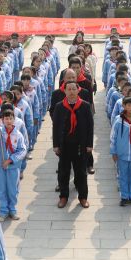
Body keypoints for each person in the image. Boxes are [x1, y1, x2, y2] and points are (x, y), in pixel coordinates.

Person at [52, 81, 94, 209]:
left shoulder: (85, 106)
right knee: (63, 171)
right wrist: (56, 144)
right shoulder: (59, 106)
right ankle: (63, 196)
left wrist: (89, 144)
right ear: (64, 91)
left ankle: (83, 197)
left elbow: (90, 127)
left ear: (78, 90)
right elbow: (56, 127)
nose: (71, 92)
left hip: (80, 145)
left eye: (73, 89)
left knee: (81, 172)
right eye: (68, 89)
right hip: (64, 145)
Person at [0, 108, 27, 220]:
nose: (8, 121)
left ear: (14, 120)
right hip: (0, 166)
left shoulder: (18, 135)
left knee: (13, 188)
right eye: (6, 118)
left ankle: (12, 209)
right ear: (2, 120)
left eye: (11, 118)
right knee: (1, 188)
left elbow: (22, 150)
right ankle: (3, 210)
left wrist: (10, 160)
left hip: (13, 166)